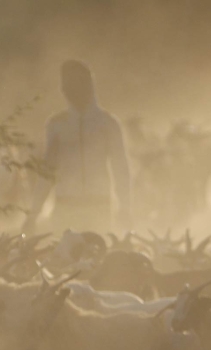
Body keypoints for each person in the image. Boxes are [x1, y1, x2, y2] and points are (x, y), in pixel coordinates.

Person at [23, 60, 131, 234]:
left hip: (99, 205)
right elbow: (47, 172)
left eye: (72, 83)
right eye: (65, 84)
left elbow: (121, 168)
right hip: (65, 205)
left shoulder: (107, 123)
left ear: (89, 85)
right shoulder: (56, 124)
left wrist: (125, 207)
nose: (66, 89)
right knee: (63, 258)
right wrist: (34, 213)